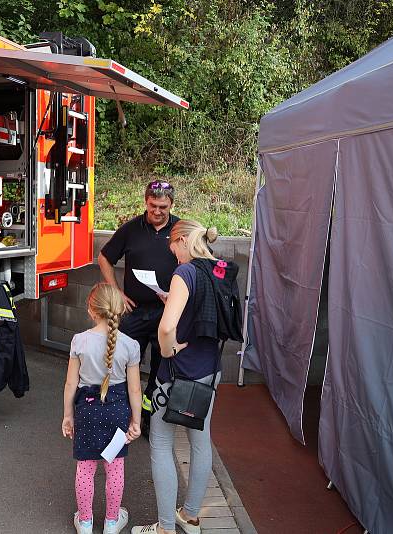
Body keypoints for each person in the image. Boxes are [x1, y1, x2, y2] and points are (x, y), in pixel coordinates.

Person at [132, 220, 237, 534]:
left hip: (178, 374)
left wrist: (167, 351)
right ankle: (191, 517)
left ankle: (164, 528)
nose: (171, 252)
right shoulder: (218, 269)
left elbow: (166, 329)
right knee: (200, 442)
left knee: (162, 444)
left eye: (171, 245)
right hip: (209, 372)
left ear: (180, 240)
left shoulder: (185, 272)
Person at [97, 180, 179, 432]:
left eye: (163, 206)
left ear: (171, 205)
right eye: (153, 205)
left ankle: (148, 416)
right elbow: (104, 257)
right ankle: (118, 413)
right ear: (145, 202)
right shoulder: (131, 229)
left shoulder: (180, 230)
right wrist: (117, 292)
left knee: (160, 368)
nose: (157, 211)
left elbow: (197, 262)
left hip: (166, 314)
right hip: (134, 313)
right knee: (120, 363)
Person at [62, 283, 143, 534]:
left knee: (85, 468)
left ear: (91, 310)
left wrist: (67, 415)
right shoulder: (130, 345)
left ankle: (85, 522)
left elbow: (70, 383)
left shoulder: (79, 341)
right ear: (119, 310)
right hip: (117, 412)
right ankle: (111, 522)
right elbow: (134, 390)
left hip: (87, 411)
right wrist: (136, 421)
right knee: (115, 467)